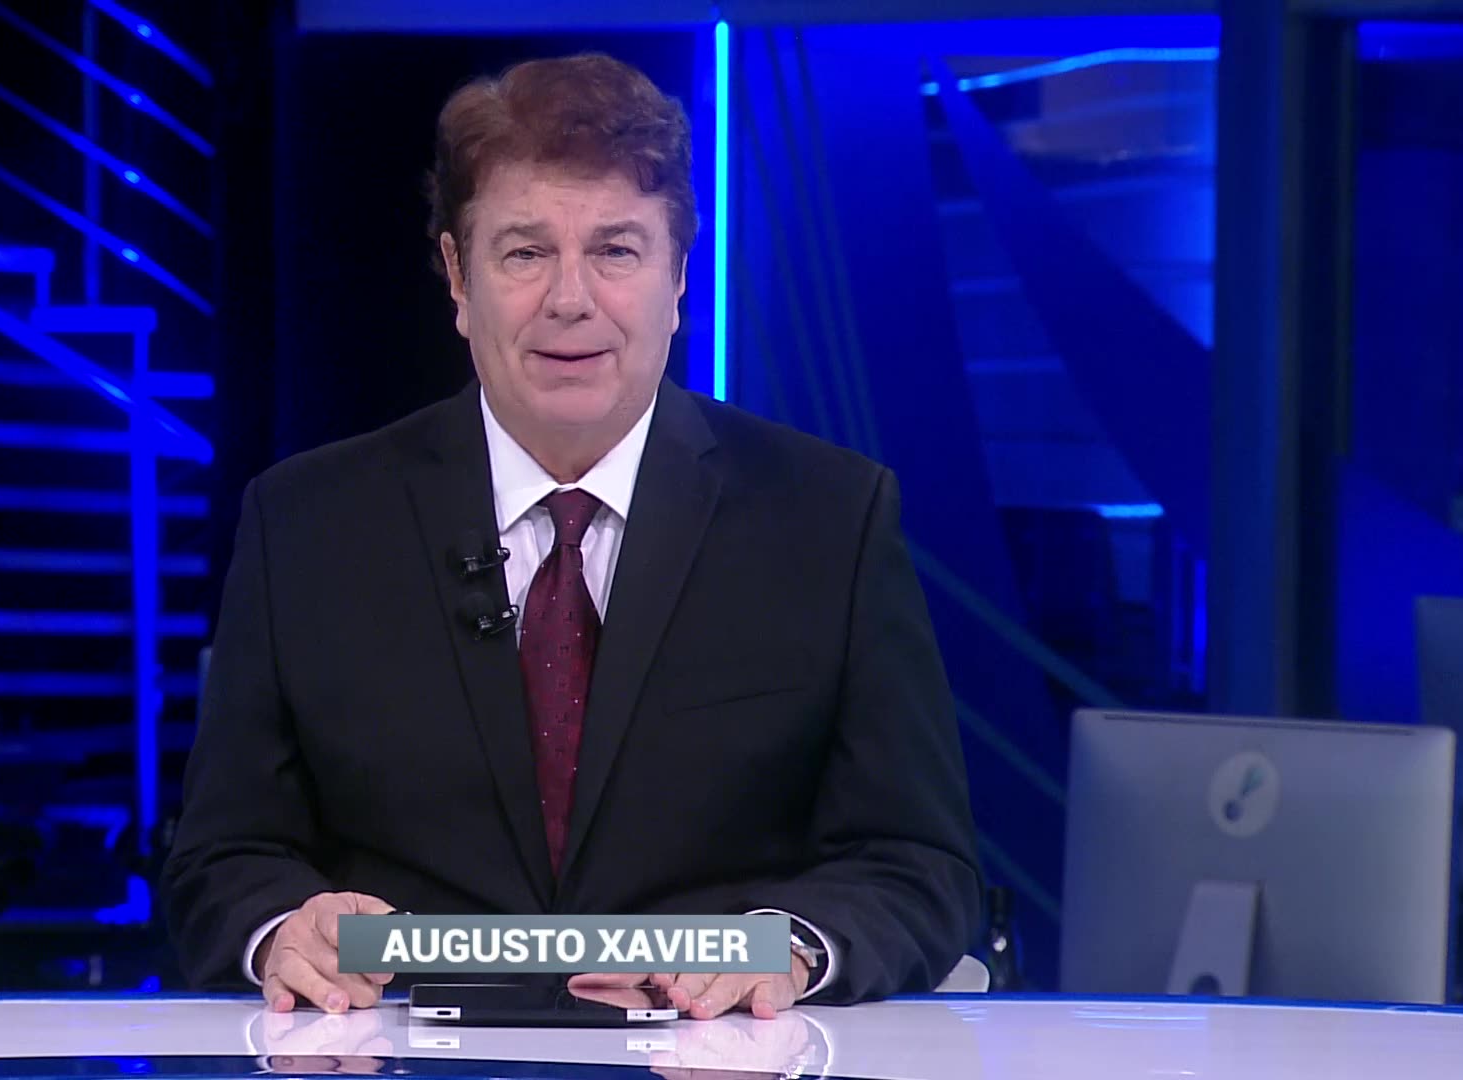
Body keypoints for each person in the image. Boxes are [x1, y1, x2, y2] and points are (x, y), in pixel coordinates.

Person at [164, 52, 978, 1019]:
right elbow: (220, 859)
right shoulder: (307, 521)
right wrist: (281, 929)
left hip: (718, 1055)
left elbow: (916, 863)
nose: (570, 299)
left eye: (616, 251)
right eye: (525, 253)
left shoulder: (828, 518)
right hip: (395, 1054)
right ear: (458, 277)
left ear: (679, 276)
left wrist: (786, 949)